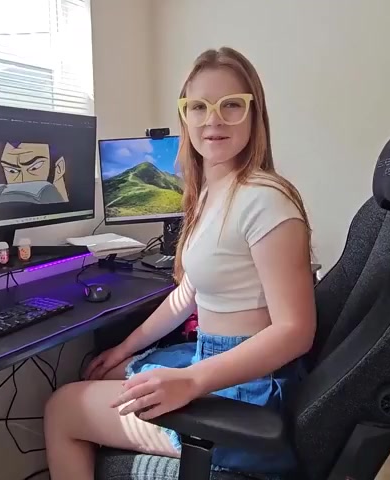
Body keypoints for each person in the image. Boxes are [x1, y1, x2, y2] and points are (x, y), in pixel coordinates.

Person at [44, 46, 316, 478]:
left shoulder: (265, 201)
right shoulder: (213, 191)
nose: (213, 119)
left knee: (62, 408)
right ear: (184, 115)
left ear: (254, 114)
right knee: (106, 367)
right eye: (199, 106)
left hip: (246, 392)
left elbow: (295, 331)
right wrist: (126, 348)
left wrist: (191, 381)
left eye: (231, 105)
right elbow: (187, 293)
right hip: (216, 360)